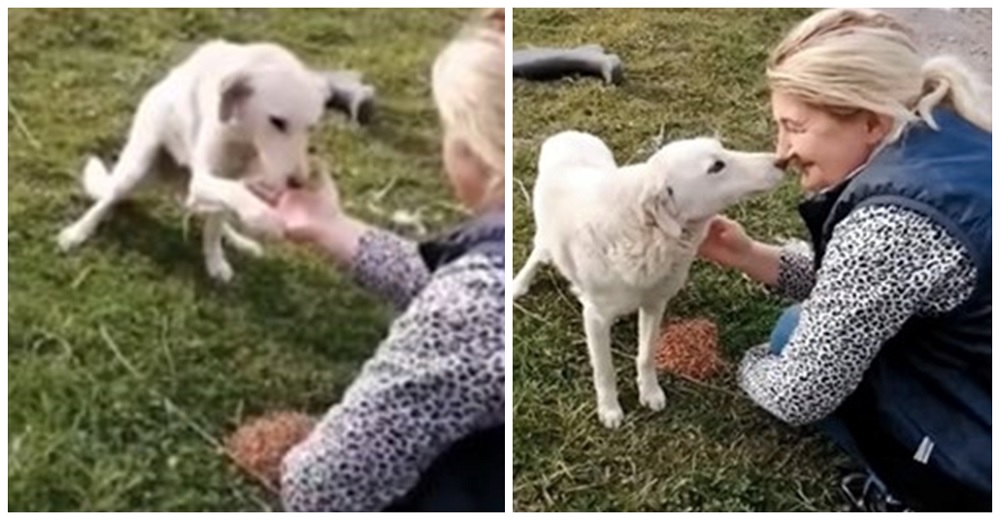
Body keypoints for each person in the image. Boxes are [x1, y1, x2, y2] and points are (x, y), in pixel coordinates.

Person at [696, 8, 991, 512]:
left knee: (793, 335)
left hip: (982, 447)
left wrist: (748, 364)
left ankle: (914, 488)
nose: (781, 152)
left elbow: (800, 394)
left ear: (871, 121)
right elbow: (868, 285)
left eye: (795, 127)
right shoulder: (948, 132)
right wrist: (749, 256)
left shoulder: (890, 230)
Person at [254, 8, 505, 511]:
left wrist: (296, 465)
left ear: (474, 149)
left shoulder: (474, 308)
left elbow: (325, 486)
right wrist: (332, 226)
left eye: (447, 127)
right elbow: (457, 292)